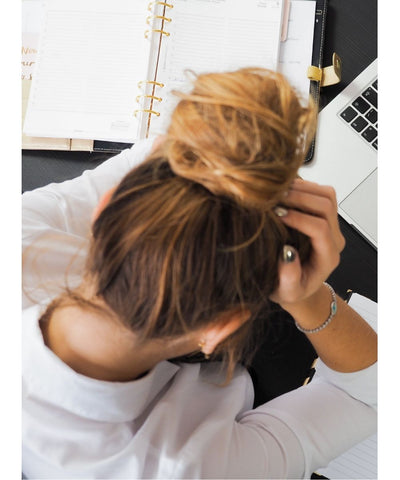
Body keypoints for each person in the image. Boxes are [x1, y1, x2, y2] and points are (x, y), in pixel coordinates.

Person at [22, 68, 377, 479]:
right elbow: (370, 396)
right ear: (221, 328)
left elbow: (156, 154)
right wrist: (310, 298)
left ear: (101, 213)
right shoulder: (191, 468)